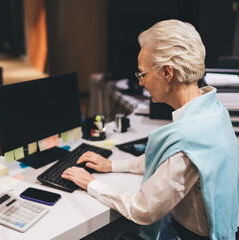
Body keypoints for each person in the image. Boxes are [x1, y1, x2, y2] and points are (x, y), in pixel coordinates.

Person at [62, 19, 239, 239]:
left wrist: (91, 184)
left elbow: (144, 210)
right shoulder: (212, 109)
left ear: (167, 72)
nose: (141, 82)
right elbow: (164, 159)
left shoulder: (188, 138)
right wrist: (113, 165)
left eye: (142, 73)